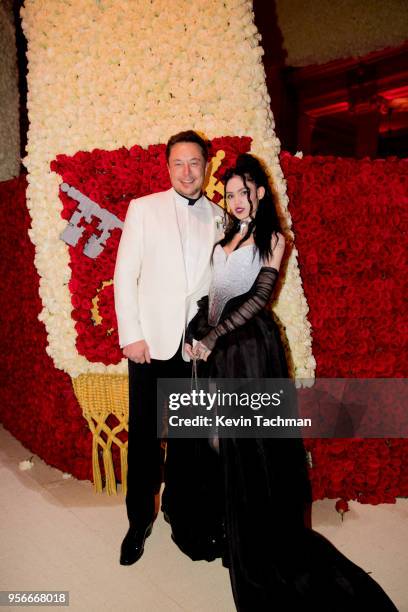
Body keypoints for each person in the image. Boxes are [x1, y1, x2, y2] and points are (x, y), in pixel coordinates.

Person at [165, 154, 397, 610]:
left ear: (260, 193)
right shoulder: (226, 236)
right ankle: (229, 526)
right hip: (215, 350)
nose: (236, 201)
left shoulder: (274, 239)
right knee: (214, 443)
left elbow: (258, 298)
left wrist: (212, 336)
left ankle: (257, 537)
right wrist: (196, 332)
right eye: (229, 195)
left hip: (249, 352)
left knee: (247, 446)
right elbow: (215, 294)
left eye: (243, 193)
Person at [113, 130, 222, 565]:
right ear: (167, 167)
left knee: (187, 440)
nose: (187, 171)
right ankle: (138, 521)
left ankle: (180, 511)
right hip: (150, 345)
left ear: (206, 166)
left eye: (194, 162)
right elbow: (126, 275)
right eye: (178, 163)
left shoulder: (220, 216)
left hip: (195, 350)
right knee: (143, 440)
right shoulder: (143, 209)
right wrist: (131, 335)